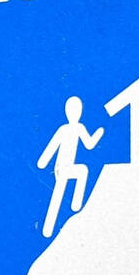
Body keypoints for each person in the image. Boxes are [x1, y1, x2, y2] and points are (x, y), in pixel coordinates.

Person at [37, 96, 103, 237]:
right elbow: (52, 147)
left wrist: (98, 134)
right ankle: (48, 229)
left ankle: (76, 204)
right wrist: (42, 162)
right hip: (60, 168)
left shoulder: (80, 128)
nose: (75, 113)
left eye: (77, 110)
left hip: (71, 167)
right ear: (67, 112)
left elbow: (89, 144)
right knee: (58, 193)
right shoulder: (63, 129)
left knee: (83, 171)